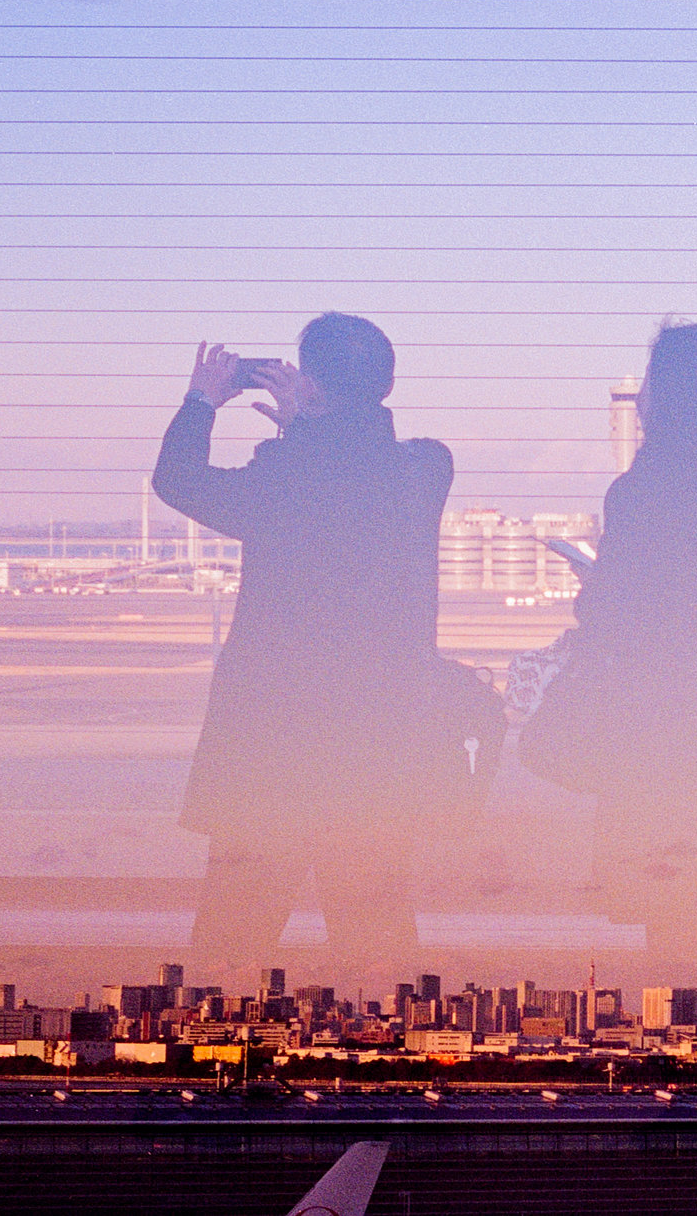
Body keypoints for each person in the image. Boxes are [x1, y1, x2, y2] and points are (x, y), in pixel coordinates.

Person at [152, 314, 453, 983]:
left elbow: (179, 480)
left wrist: (204, 400)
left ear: (311, 383)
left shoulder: (284, 476)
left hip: (269, 752)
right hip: (374, 756)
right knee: (384, 969)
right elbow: (365, 479)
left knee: (227, 964)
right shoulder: (423, 471)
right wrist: (311, 426)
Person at [565, 322, 697, 977]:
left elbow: (620, 618)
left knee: (680, 939)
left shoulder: (644, 493)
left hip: (659, 746)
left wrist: (591, 591)